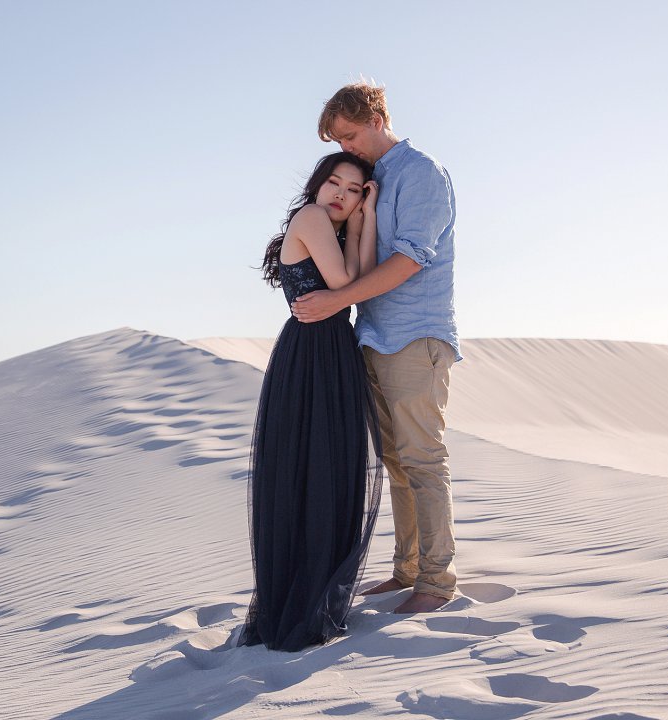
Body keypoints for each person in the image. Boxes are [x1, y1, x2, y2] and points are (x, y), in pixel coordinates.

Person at [292, 83, 460, 614]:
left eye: (350, 134)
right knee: (394, 461)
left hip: (417, 335)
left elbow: (411, 259)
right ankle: (406, 571)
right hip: (372, 334)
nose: (347, 147)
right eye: (337, 140)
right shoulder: (370, 180)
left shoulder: (420, 173)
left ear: (377, 116)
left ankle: (437, 581)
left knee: (423, 459)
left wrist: (336, 299)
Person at [237, 151, 383, 651]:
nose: (340, 195)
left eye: (354, 189)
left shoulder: (338, 228)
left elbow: (359, 283)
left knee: (334, 468)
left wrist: (362, 224)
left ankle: (316, 594)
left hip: (334, 349)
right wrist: (360, 222)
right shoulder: (313, 217)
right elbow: (347, 283)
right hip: (309, 353)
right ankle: (297, 601)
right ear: (316, 187)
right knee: (310, 468)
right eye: (334, 184)